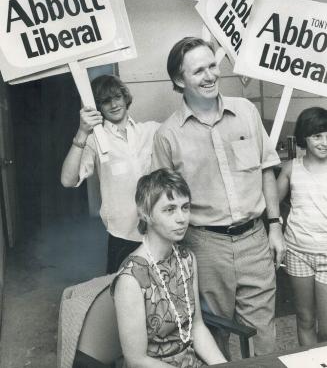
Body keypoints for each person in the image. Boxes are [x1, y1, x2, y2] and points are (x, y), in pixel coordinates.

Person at [151, 36, 286, 358]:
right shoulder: (167, 135)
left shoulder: (246, 111)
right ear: (178, 79)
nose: (210, 75)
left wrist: (275, 226)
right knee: (214, 331)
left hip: (255, 238)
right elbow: (162, 203)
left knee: (263, 331)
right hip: (204, 245)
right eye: (199, 71)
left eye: (213, 66)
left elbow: (267, 169)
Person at [111, 168, 226, 368]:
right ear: (146, 213)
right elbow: (136, 360)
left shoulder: (186, 258)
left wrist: (224, 365)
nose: (181, 218)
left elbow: (196, 327)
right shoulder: (131, 279)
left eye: (185, 207)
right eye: (169, 209)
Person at [61, 74, 159, 274]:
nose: (114, 105)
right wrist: (82, 132)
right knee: (123, 294)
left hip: (158, 229)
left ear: (125, 98)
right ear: (98, 107)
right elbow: (67, 180)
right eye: (105, 101)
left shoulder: (151, 130)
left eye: (117, 97)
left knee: (162, 293)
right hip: (123, 235)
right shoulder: (95, 140)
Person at [277, 107, 327, 346]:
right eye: (317, 135)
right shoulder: (291, 168)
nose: (325, 141)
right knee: (305, 319)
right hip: (298, 252)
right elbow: (270, 203)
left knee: (326, 327)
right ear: (304, 137)